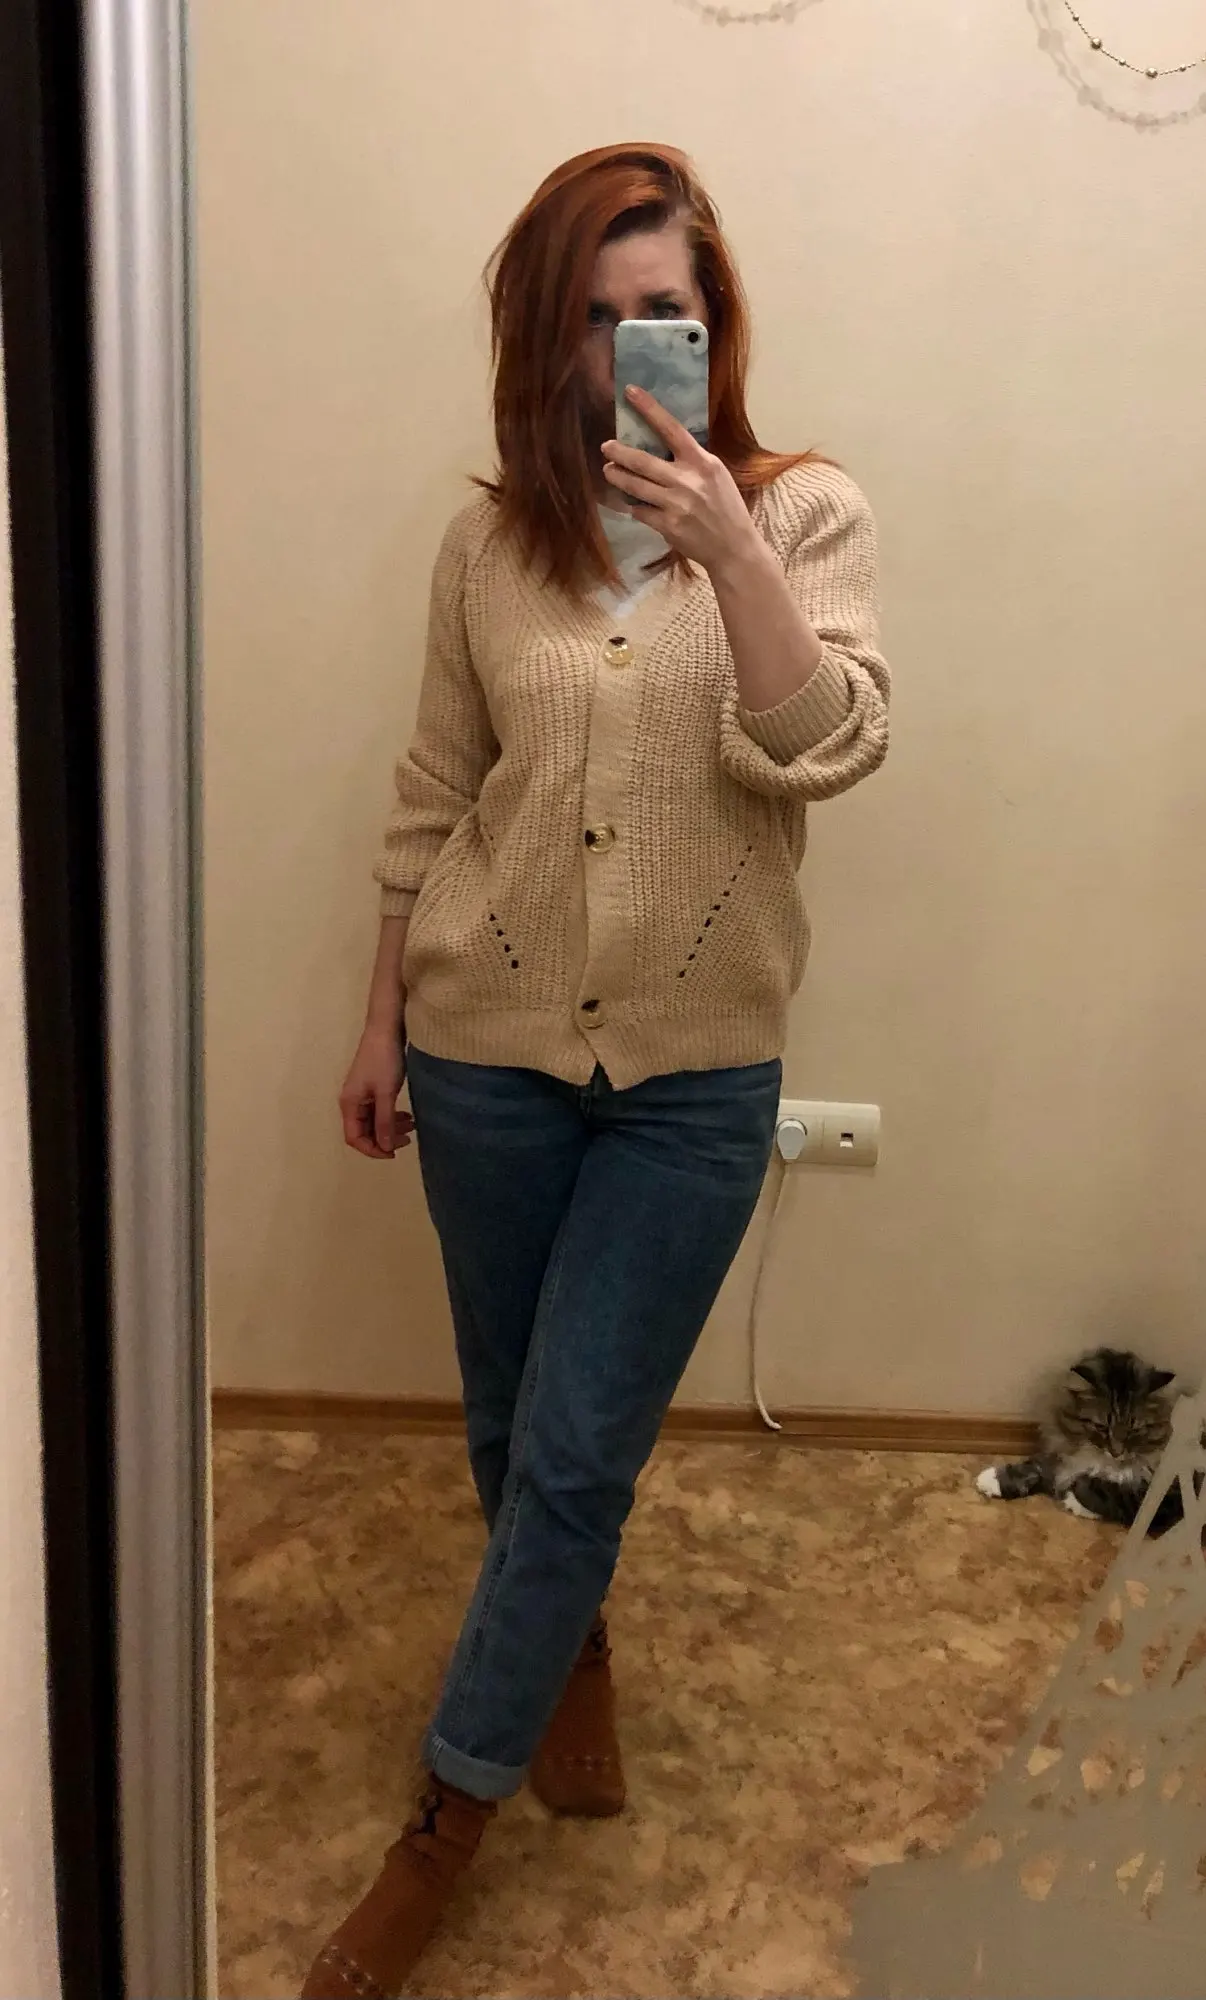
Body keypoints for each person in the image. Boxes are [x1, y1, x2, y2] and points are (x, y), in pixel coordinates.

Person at [302, 141, 890, 2000]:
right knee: (507, 1428)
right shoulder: (489, 547)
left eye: (672, 310)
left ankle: (441, 1823)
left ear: (716, 325)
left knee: (573, 1452)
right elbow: (432, 794)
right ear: (546, 342)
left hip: (695, 1077)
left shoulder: (802, 515)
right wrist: (382, 1018)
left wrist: (729, 548)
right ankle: (574, 1652)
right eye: (605, 315)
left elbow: (828, 744)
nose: (645, 341)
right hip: (482, 1049)